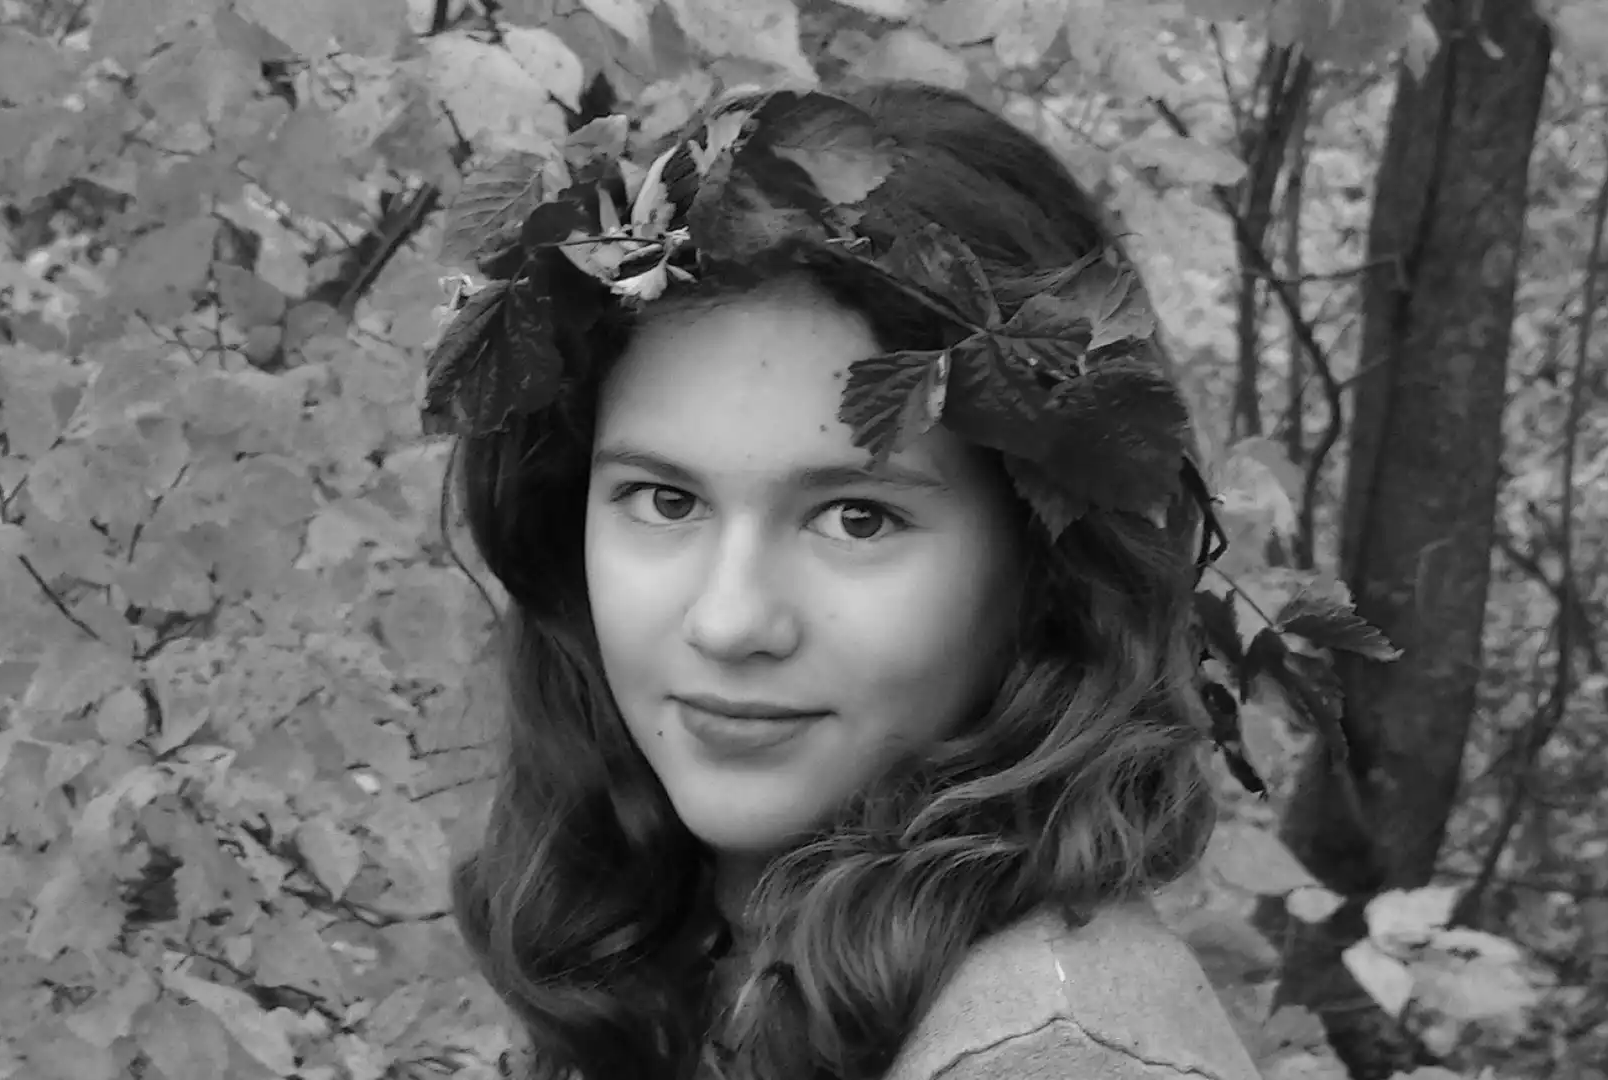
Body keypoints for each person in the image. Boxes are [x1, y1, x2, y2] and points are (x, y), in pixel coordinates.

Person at [434, 80, 1263, 1080]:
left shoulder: (1046, 1055)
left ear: (1044, 567)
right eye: (663, 501)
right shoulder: (723, 965)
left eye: (855, 518)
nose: (732, 620)